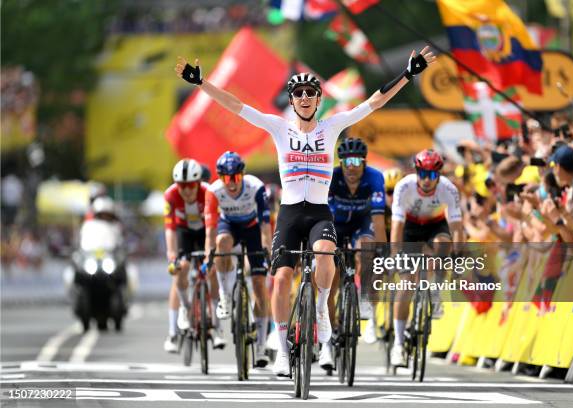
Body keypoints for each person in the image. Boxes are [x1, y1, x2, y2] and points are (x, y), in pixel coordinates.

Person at [175, 46, 436, 376]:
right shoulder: (279, 127)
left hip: (318, 212)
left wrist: (409, 74)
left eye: (310, 93)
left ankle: (323, 309)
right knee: (281, 279)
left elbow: (374, 102)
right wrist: (202, 83)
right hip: (289, 214)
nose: (304, 97)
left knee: (325, 252)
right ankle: (283, 350)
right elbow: (235, 105)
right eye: (298, 93)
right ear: (292, 99)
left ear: (318, 99)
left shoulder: (332, 126)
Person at [389, 149, 463, 367]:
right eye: (423, 174)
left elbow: (457, 228)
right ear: (417, 171)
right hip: (410, 227)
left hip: (434, 225)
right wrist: (395, 256)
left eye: (432, 175)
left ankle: (435, 289)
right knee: (406, 284)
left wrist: (457, 256)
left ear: (439, 175)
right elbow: (396, 227)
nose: (427, 180)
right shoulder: (404, 186)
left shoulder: (449, 189)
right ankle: (399, 345)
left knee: (444, 244)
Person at [204, 151, 272, 367]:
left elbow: (265, 224)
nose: (231, 183)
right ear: (220, 178)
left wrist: (267, 249)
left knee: (260, 286)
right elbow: (210, 230)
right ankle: (225, 295)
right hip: (229, 226)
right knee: (221, 242)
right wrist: (208, 256)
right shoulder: (213, 191)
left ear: (242, 175)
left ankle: (260, 347)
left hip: (252, 229)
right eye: (226, 178)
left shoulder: (256, 187)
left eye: (235, 177)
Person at [327, 138, 386, 356]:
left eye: (357, 160)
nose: (351, 165)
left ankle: (370, 312)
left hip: (362, 224)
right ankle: (330, 329)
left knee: (369, 249)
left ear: (364, 162)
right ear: (341, 162)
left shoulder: (375, 177)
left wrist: (383, 253)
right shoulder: (332, 177)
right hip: (336, 224)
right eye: (346, 161)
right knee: (329, 279)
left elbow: (379, 221)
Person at [163, 159, 224, 353]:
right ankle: (183, 309)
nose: (186, 191)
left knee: (212, 270)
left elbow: (213, 227)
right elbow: (170, 229)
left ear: (197, 183)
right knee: (182, 268)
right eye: (182, 186)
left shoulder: (208, 192)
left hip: (206, 231)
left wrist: (210, 255)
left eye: (190, 186)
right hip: (184, 233)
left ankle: (217, 325)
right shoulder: (170, 195)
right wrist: (171, 255)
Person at [383, 168, 404, 240]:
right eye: (390, 191)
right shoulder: (375, 209)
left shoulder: (412, 208)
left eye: (398, 191)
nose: (395, 196)